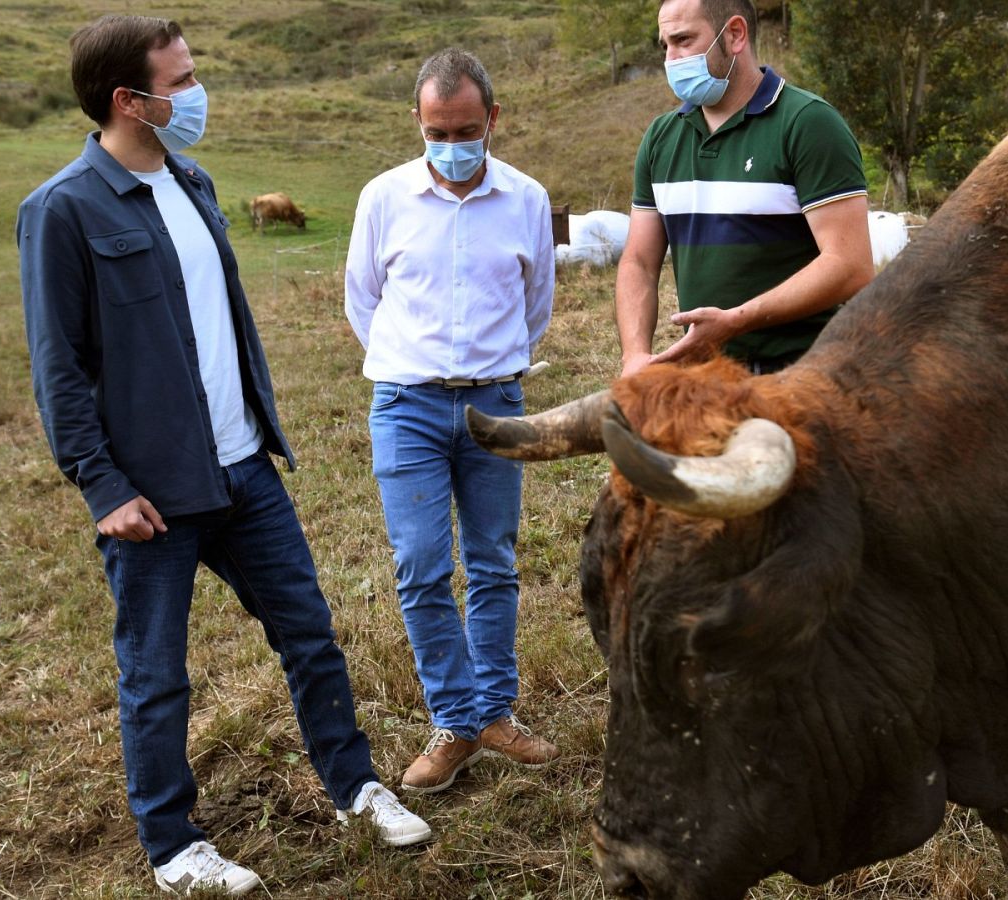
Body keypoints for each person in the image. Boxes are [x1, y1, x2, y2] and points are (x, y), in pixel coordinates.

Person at [17, 15, 430, 896]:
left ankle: (356, 789)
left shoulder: (194, 182)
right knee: (156, 675)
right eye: (182, 80)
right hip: (151, 494)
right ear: (129, 100)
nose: (198, 93)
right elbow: (59, 368)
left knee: (310, 636)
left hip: (244, 468)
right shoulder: (62, 210)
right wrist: (102, 487)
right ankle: (174, 847)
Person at [344, 49, 557, 795]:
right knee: (421, 566)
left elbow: (536, 304)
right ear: (418, 122)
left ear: (492, 118)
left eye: (467, 130)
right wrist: (414, 363)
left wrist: (493, 367)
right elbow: (363, 300)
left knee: (494, 559)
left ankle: (495, 713)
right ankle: (455, 720)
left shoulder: (527, 198)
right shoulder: (383, 198)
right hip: (407, 405)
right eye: (437, 132)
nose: (452, 145)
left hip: (495, 404)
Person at [617, 0, 876, 378]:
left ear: (735, 35)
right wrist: (635, 355)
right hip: (706, 377)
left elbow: (850, 265)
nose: (671, 59)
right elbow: (639, 261)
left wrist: (737, 320)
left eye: (684, 40)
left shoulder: (808, 124)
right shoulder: (661, 137)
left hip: (801, 375)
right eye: (665, 45)